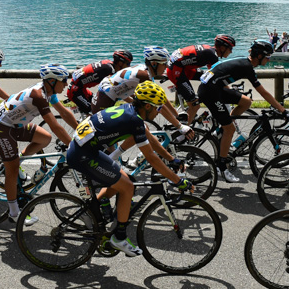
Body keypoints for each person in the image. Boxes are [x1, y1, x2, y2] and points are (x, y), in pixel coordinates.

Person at [66, 81, 193, 256]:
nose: (158, 112)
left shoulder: (132, 112)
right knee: (127, 187)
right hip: (82, 155)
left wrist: (171, 159)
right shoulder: (134, 121)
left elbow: (149, 138)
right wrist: (178, 181)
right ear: (147, 106)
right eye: (157, 108)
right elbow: (152, 158)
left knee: (122, 177)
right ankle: (119, 238)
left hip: (85, 148)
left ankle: (91, 212)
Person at [0, 64, 78, 223]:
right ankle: (14, 213)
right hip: (2, 128)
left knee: (45, 138)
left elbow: (64, 112)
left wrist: (79, 130)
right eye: (63, 80)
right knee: (12, 170)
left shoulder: (48, 92)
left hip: (15, 125)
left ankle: (16, 159)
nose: (66, 84)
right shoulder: (39, 95)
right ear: (51, 81)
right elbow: (55, 126)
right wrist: (75, 146)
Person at [197, 40, 289, 183]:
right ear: (259, 56)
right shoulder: (247, 67)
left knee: (246, 102)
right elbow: (264, 93)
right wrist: (283, 111)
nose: (269, 59)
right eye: (267, 56)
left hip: (213, 87)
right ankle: (221, 167)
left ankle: (224, 125)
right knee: (230, 129)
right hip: (210, 92)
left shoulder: (244, 63)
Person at [92, 46, 189, 135]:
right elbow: (159, 105)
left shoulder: (145, 71)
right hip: (104, 101)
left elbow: (160, 98)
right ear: (154, 64)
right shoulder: (145, 76)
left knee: (139, 128)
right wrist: (180, 126)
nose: (167, 67)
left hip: (110, 94)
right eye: (164, 63)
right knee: (131, 132)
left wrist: (176, 115)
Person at [165, 35, 235, 125]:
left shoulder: (211, 52)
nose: (231, 52)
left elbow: (212, 76)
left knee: (205, 77)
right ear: (222, 48)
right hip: (176, 70)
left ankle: (192, 112)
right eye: (230, 49)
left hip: (182, 67)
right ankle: (184, 133)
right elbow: (218, 78)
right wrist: (230, 92)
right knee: (195, 105)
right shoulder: (212, 56)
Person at [66, 50, 133, 116]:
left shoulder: (109, 64)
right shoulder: (108, 70)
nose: (129, 66)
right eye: (128, 64)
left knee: (96, 104)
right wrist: (134, 102)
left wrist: (133, 94)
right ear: (120, 63)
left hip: (80, 88)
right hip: (75, 91)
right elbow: (118, 91)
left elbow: (122, 86)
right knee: (95, 113)